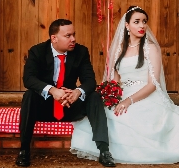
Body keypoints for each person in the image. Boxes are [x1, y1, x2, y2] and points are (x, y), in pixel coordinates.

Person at [70, 6, 179, 164]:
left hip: (145, 93)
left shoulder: (151, 48)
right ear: (127, 25)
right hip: (123, 92)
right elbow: (113, 80)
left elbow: (152, 84)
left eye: (144, 22)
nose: (142, 26)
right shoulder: (118, 50)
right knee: (105, 114)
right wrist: (110, 95)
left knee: (133, 115)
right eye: (137, 22)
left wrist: (129, 101)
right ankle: (106, 150)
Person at [16, 19, 116, 167]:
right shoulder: (37, 51)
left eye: (73, 34)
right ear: (54, 38)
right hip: (45, 107)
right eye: (68, 36)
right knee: (29, 95)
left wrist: (77, 92)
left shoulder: (81, 52)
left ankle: (104, 151)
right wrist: (52, 90)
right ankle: (24, 150)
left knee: (94, 96)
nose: (73, 39)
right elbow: (28, 79)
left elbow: (90, 81)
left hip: (70, 105)